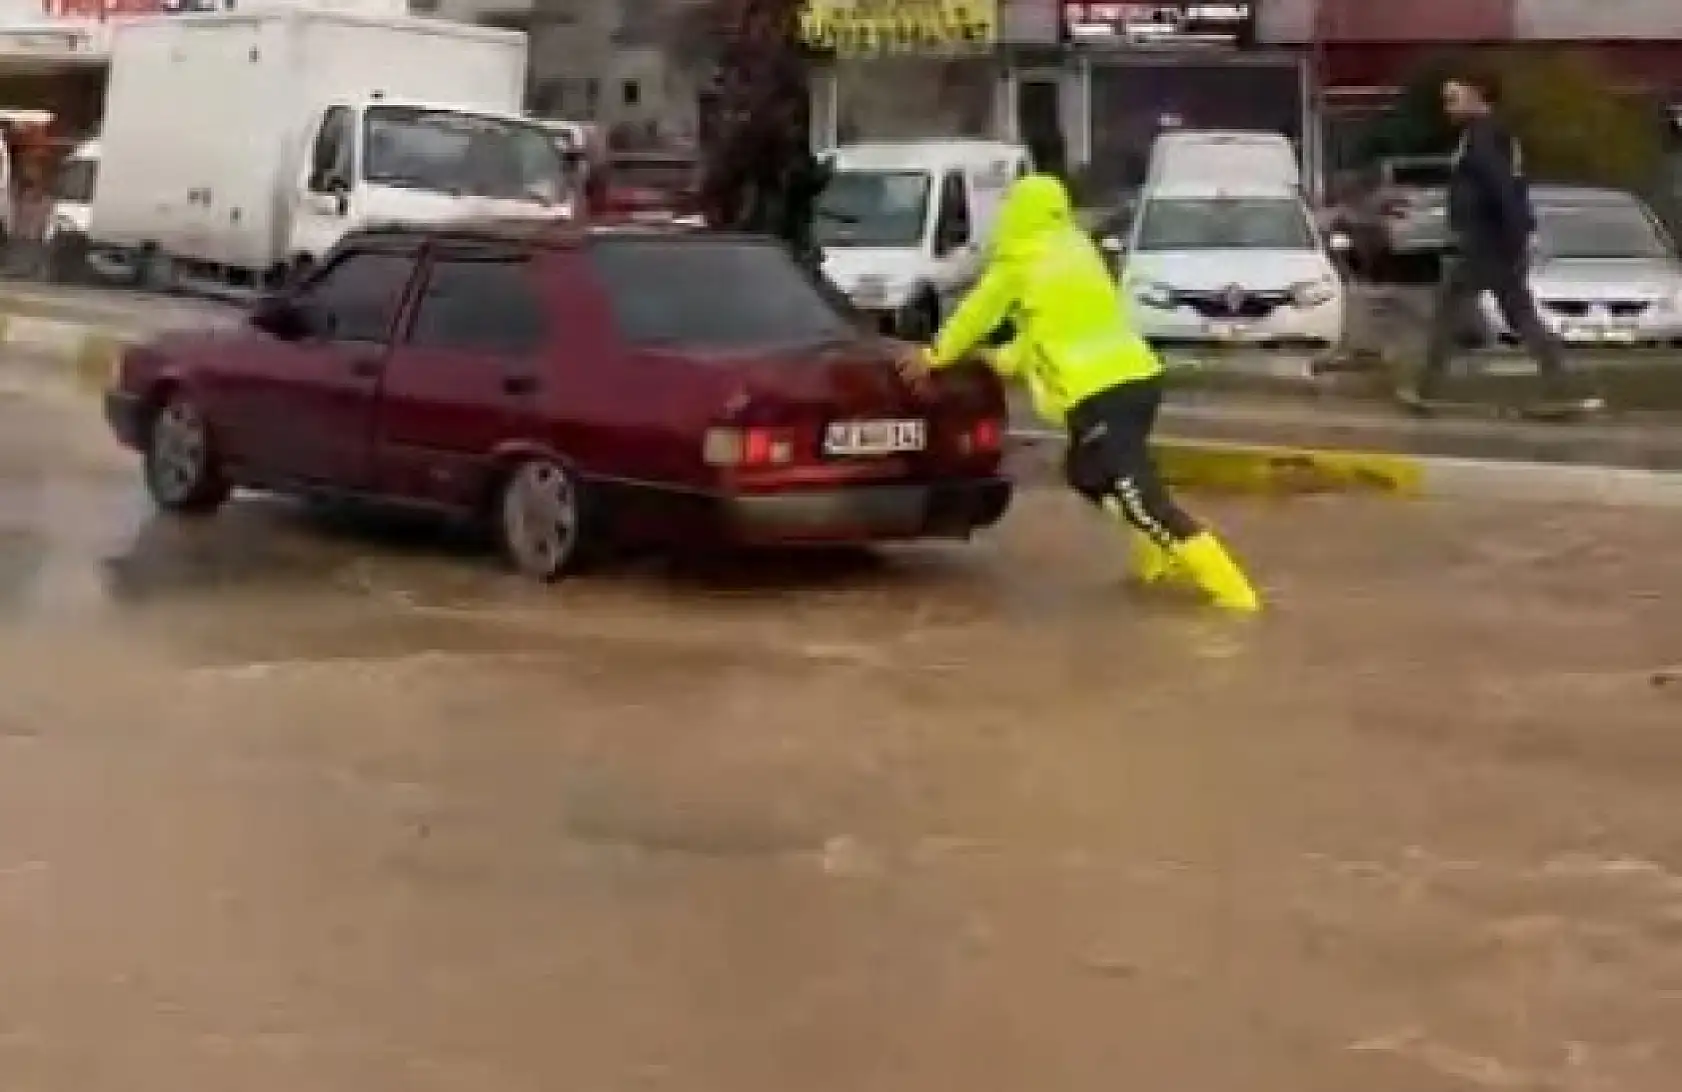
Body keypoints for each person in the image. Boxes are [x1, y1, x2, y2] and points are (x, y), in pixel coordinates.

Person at [895, 174, 1261, 613]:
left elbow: (977, 312)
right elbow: (1040, 337)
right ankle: (1156, 565)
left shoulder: (1020, 259)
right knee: (1087, 472)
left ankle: (1236, 597)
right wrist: (992, 360)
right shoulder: (1077, 251)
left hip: (1102, 392)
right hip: (1139, 381)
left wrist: (936, 355)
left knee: (1142, 499)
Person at [1400, 71, 1603, 416]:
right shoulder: (1490, 135)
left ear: (1479, 95)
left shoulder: (1484, 138)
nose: (1447, 106)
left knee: (1453, 311)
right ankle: (1564, 387)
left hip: (1488, 242)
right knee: (1512, 313)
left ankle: (1426, 389)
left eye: (1454, 97)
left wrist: (1517, 232)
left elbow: (1502, 188)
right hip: (1494, 241)